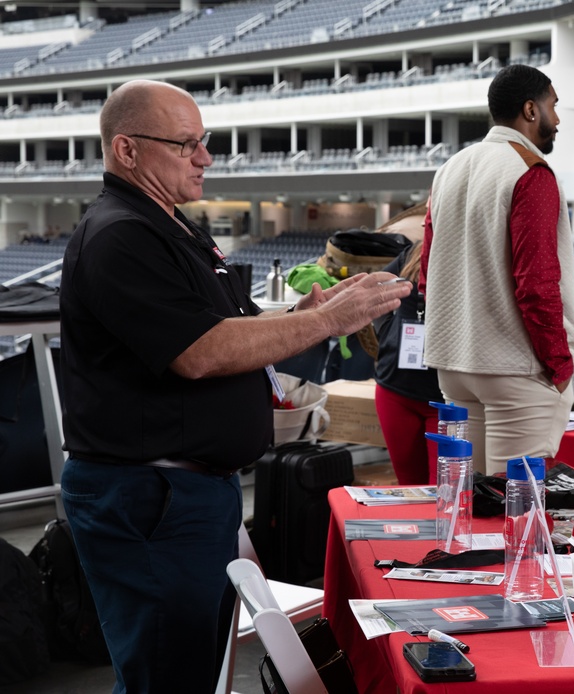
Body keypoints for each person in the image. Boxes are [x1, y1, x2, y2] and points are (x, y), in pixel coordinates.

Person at [58, 80, 410, 693]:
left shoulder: (167, 225)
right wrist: (326, 322)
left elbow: (230, 329)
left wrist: (305, 312)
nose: (205, 157)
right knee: (168, 676)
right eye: (186, 143)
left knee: (189, 668)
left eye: (205, 141)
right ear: (127, 150)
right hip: (152, 498)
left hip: (184, 493)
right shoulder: (122, 234)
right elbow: (198, 353)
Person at [420, 64, 574, 475]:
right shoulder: (530, 171)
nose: (557, 118)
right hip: (515, 367)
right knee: (519, 515)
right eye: (553, 106)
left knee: (472, 508)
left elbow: (426, 271)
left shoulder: (449, 168)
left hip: (454, 363)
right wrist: (561, 365)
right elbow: (537, 283)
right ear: (531, 110)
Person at [372, 203, 444, 485]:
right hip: (396, 390)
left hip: (445, 399)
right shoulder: (414, 252)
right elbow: (375, 293)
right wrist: (389, 332)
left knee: (443, 494)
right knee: (409, 490)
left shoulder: (473, 258)